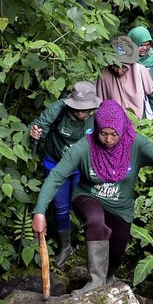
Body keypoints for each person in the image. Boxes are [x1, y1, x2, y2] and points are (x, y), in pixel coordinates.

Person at [32, 99, 153, 294]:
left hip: (121, 207)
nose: (108, 139)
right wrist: (40, 211)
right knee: (96, 221)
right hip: (88, 196)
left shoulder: (135, 143)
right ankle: (96, 280)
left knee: (117, 251)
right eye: (103, 133)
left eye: (114, 134)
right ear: (96, 129)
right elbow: (56, 176)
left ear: (122, 129)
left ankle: (107, 278)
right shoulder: (84, 147)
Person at [28, 81, 101, 266]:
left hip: (81, 165)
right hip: (55, 162)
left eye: (85, 109)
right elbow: (39, 125)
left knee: (82, 205)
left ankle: (90, 246)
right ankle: (65, 246)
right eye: (78, 108)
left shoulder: (100, 114)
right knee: (60, 206)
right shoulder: (59, 109)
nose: (81, 112)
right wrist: (36, 132)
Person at [96, 36, 153, 125]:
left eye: (124, 67)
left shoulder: (140, 71)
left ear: (130, 64)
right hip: (112, 122)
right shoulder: (104, 73)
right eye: (115, 66)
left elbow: (152, 96)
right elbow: (98, 102)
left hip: (139, 118)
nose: (119, 70)